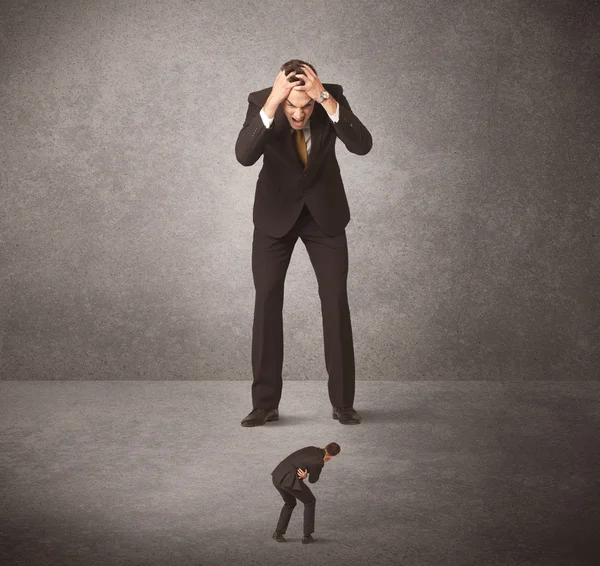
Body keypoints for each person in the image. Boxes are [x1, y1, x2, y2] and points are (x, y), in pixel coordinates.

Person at [235, 59, 373, 427]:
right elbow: (244, 156)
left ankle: (343, 403)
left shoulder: (331, 99)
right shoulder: (262, 101)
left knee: (335, 300)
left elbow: (362, 146)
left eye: (305, 106)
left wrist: (324, 98)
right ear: (281, 96)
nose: (298, 114)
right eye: (290, 106)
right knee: (266, 301)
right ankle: (264, 405)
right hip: (274, 216)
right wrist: (271, 104)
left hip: (323, 216)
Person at [271, 442, 341, 543]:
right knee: (310, 501)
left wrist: (305, 471)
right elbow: (313, 480)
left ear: (325, 446)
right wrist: (306, 475)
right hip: (289, 482)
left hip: (277, 476)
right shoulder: (319, 462)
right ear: (331, 457)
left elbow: (299, 460)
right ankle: (307, 536)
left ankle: (278, 534)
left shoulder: (311, 448)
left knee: (290, 503)